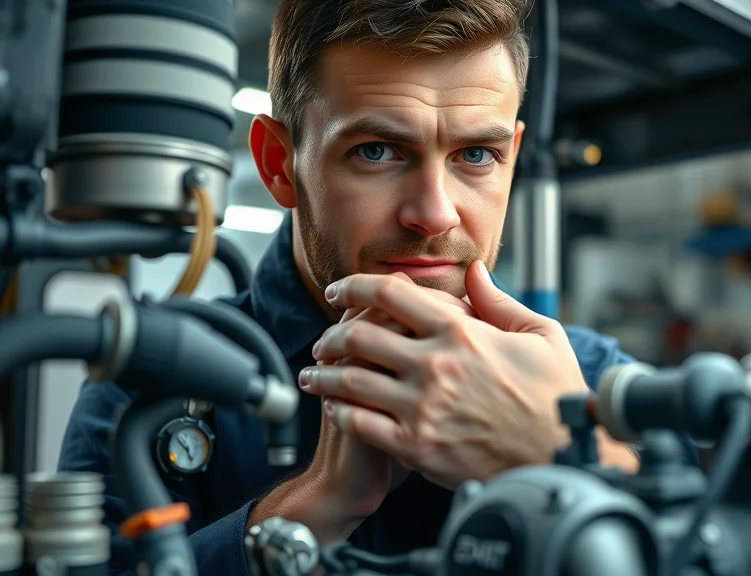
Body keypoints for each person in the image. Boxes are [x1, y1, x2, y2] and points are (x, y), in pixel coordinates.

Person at [57, 0, 699, 573]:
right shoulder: (148, 387)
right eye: (376, 151)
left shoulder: (594, 382)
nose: (436, 213)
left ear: (512, 156)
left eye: (477, 155)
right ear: (280, 164)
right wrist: (312, 508)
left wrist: (572, 461)